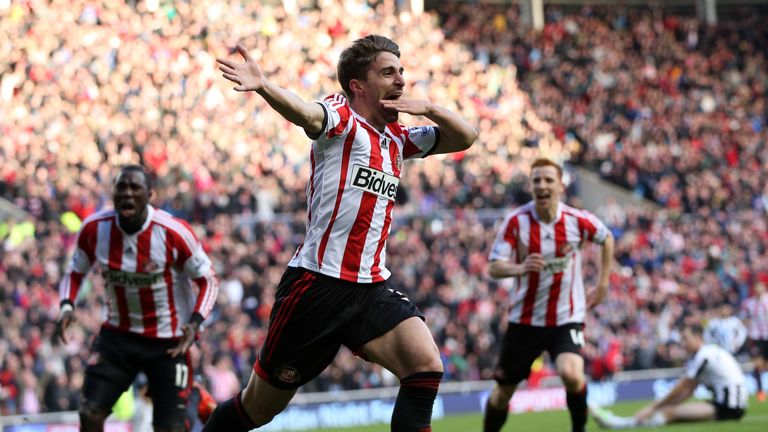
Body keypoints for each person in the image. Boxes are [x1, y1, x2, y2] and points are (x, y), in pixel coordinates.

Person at [209, 34, 477, 432]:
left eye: (402, 72)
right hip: (316, 286)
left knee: (425, 365)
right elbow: (307, 115)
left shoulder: (398, 140)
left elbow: (465, 137)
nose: (401, 80)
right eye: (388, 72)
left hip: (370, 285)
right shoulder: (341, 118)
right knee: (258, 409)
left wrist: (432, 109)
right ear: (358, 86)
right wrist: (265, 86)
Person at [54, 164, 220, 432]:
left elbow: (209, 280)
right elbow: (74, 272)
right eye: (121, 187)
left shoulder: (173, 232)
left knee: (169, 428)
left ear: (150, 194)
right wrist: (66, 306)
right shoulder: (95, 229)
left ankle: (194, 394)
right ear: (112, 193)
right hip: (119, 337)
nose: (127, 194)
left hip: (168, 342)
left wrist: (196, 322)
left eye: (135, 188)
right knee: (89, 412)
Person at [483, 158, 615, 432]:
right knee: (502, 393)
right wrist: (520, 267)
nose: (542, 185)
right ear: (531, 187)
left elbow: (607, 237)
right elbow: (494, 267)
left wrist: (602, 284)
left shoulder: (576, 221)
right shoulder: (515, 222)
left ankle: (579, 429)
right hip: (525, 321)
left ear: (560, 186)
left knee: (571, 373)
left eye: (548, 180)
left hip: (566, 317)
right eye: (536, 181)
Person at [590, 323, 747, 429]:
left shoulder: (704, 355)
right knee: (671, 413)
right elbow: (686, 392)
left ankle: (620, 423)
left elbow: (682, 389)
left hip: (728, 408)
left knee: (668, 413)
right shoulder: (709, 353)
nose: (683, 343)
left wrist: (652, 408)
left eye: (686, 338)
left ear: (699, 338)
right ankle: (622, 422)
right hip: (730, 405)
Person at [740, 282, 768, 402]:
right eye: (756, 288)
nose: (758, 290)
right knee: (758, 364)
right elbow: (745, 318)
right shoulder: (748, 303)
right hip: (756, 337)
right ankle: (760, 390)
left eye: (760, 288)